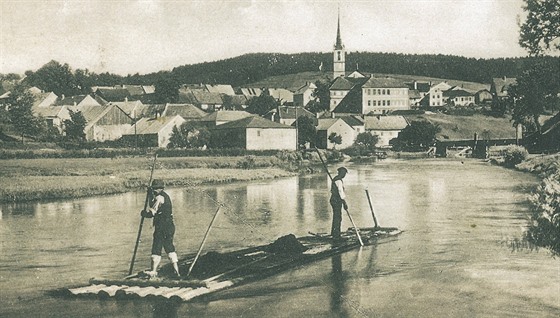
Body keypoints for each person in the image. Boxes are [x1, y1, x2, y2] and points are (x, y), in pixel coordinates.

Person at [141, 179, 180, 278]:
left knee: (156, 247)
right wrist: (150, 195)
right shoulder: (164, 196)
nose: (154, 191)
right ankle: (176, 271)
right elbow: (153, 205)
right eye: (153, 189)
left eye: (155, 189)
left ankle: (153, 271)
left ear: (160, 189)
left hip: (162, 227)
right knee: (169, 247)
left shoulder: (159, 198)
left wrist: (143, 213)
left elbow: (152, 212)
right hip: (169, 226)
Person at [330, 167, 348, 240]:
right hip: (336, 200)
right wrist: (344, 203)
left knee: (336, 216)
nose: (344, 175)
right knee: (338, 217)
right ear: (341, 173)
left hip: (335, 200)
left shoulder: (337, 179)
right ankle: (336, 235)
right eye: (344, 173)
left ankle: (334, 233)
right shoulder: (338, 181)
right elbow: (340, 192)